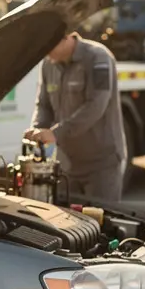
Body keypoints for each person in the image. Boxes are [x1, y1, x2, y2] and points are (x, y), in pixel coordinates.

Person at [24, 30, 127, 202]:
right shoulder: (48, 64)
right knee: (65, 217)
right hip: (67, 164)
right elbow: (43, 104)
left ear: (65, 36)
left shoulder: (98, 58)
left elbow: (96, 106)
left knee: (100, 216)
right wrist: (37, 129)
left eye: (48, 47)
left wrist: (56, 133)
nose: (45, 53)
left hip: (101, 164)